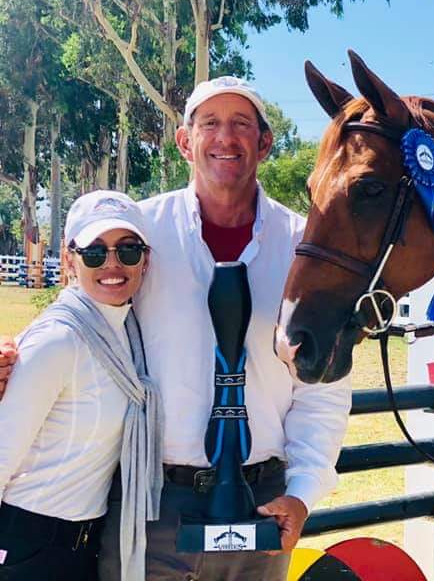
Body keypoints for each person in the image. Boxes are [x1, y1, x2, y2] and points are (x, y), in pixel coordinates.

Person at [93, 77, 352, 581]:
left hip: (264, 508)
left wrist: (300, 494)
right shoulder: (138, 237)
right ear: (185, 141)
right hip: (154, 506)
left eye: (241, 125)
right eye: (209, 124)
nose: (225, 138)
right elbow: (85, 326)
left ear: (265, 142)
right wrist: (20, 356)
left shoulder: (307, 249)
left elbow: (322, 390)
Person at [0, 191, 162, 581]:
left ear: (146, 259)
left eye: (127, 250)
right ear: (70, 259)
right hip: (30, 542)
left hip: (87, 544)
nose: (112, 264)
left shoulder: (128, 335)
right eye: (94, 252)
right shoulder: (58, 340)